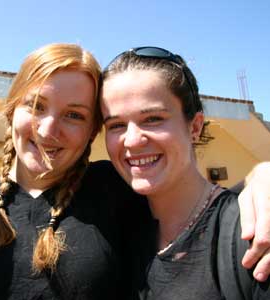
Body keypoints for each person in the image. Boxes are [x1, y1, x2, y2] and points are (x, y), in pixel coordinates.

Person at [0, 43, 270, 300]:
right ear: (12, 110)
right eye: (36, 106)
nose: (49, 129)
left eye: (74, 115)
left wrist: (262, 176)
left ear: (91, 131)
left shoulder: (112, 190)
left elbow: (207, 205)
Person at [101, 46, 270, 299]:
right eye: (116, 125)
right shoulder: (110, 234)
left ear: (195, 127)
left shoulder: (252, 235)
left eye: (153, 119)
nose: (132, 140)